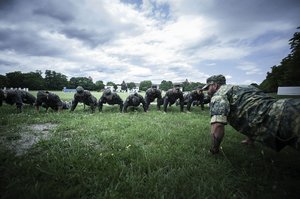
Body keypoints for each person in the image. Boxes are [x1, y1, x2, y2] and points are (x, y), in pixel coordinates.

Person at [202, 74, 300, 154]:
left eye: (208, 87)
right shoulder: (245, 87)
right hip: (290, 105)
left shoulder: (219, 95)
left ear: (215, 86)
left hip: (281, 118)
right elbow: (254, 108)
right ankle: (250, 140)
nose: (207, 91)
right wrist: (250, 138)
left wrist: (214, 149)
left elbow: (218, 125)